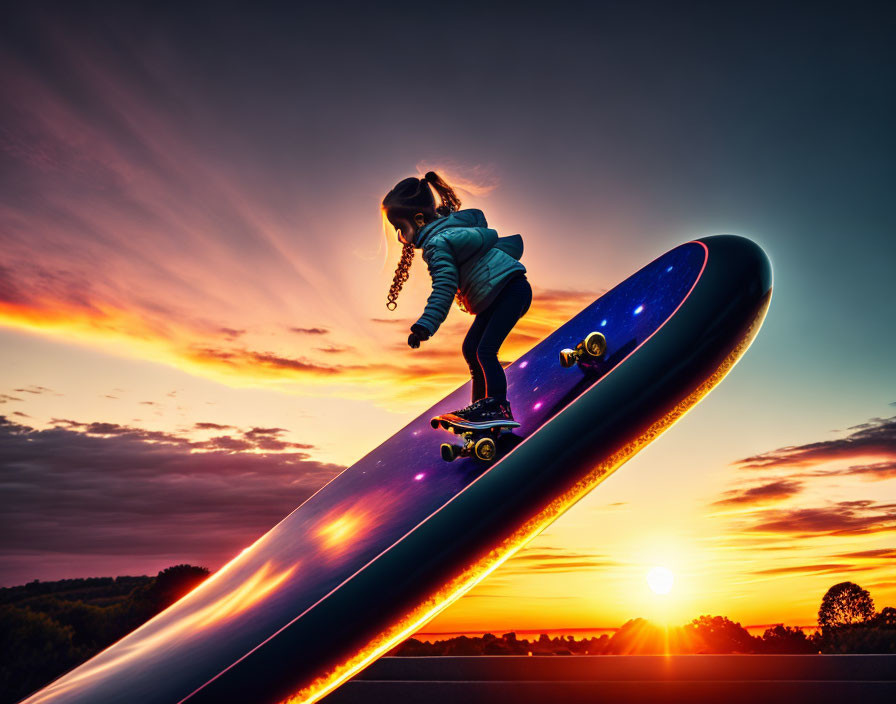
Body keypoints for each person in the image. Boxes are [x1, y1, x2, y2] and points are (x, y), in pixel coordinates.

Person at [382, 171, 532, 424]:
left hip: (507, 291)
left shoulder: (437, 244)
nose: (401, 236)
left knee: (485, 350)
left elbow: (444, 285)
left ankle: (496, 408)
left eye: (400, 228)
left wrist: (424, 326)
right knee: (471, 349)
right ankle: (480, 410)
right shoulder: (450, 230)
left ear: (418, 220)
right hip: (501, 292)